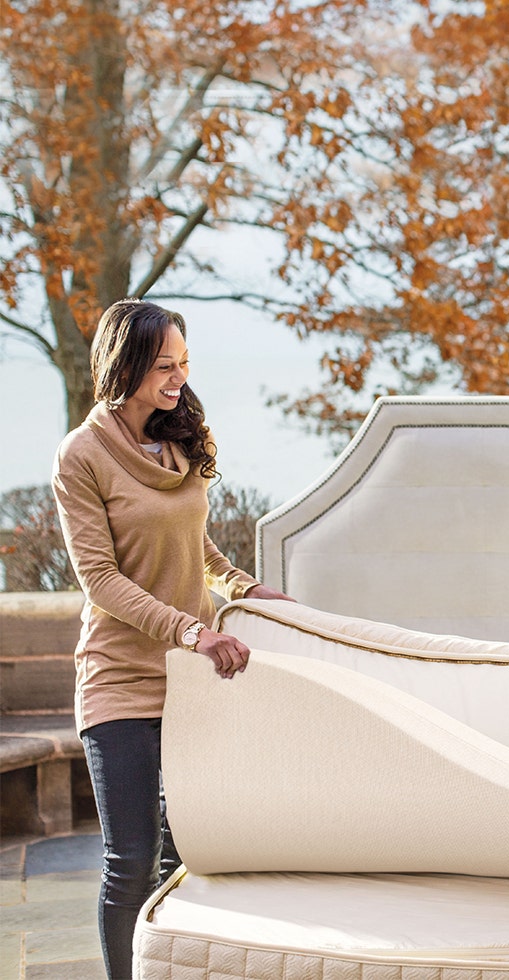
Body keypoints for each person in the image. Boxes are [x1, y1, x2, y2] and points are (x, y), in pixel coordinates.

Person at [52, 299, 294, 979]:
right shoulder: (82, 456)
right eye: (164, 366)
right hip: (119, 680)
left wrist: (245, 589)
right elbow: (101, 579)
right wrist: (193, 629)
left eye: (184, 363)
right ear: (123, 366)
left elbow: (193, 539)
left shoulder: (179, 435)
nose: (179, 379)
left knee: (186, 855)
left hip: (190, 678)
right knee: (130, 860)